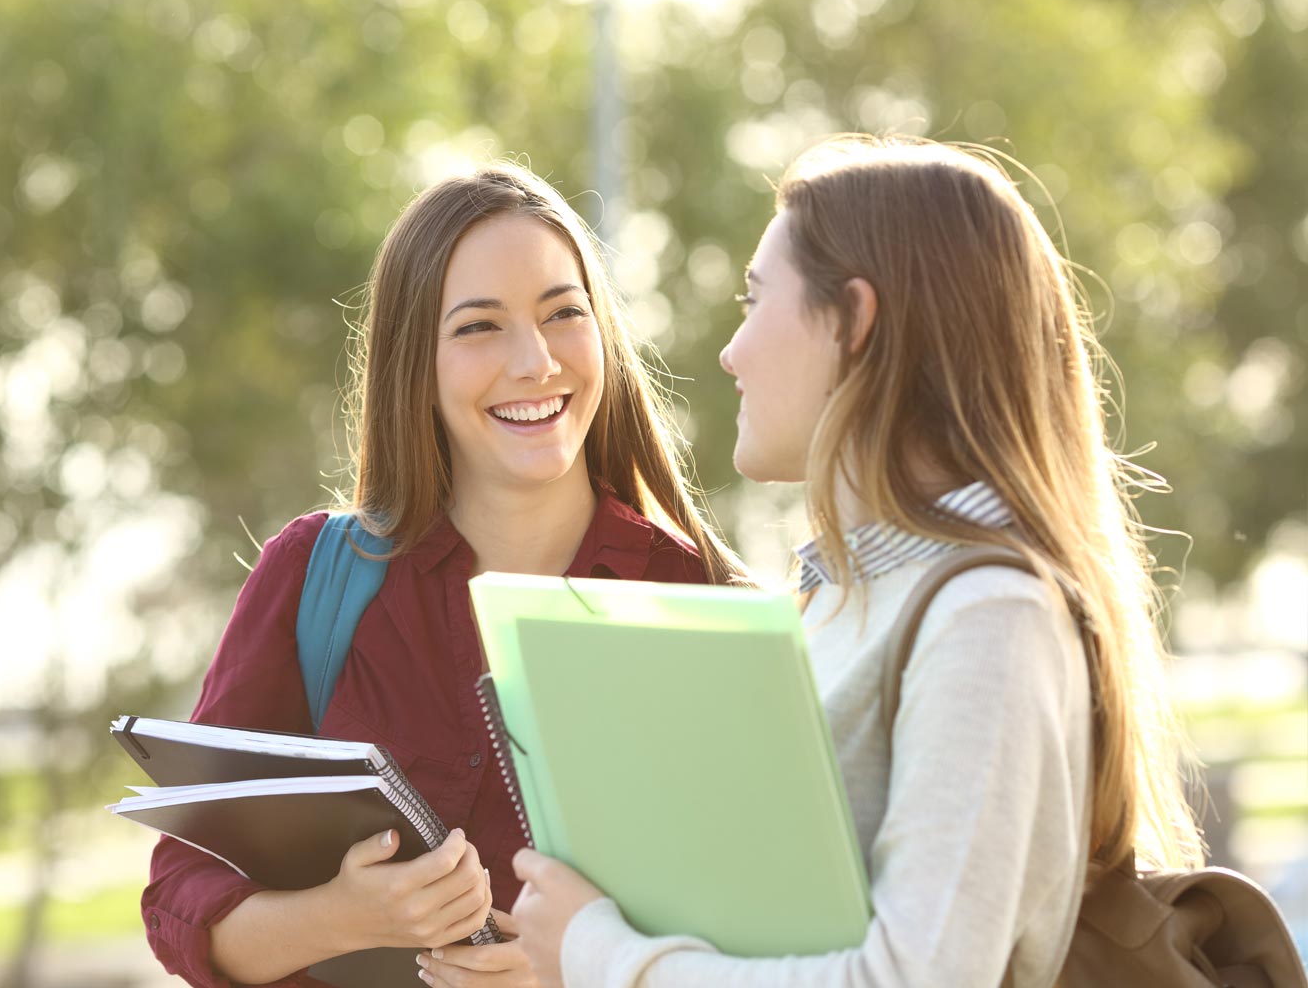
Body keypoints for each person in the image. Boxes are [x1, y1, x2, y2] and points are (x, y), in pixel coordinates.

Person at [509, 135, 1205, 988]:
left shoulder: (989, 615)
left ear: (856, 321)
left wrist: (602, 955)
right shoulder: (841, 598)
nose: (731, 351)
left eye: (755, 298)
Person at [140, 162, 748, 988]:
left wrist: (582, 970)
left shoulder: (706, 605)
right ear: (413, 363)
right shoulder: (315, 578)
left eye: (564, 313)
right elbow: (182, 899)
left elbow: (774, 938)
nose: (534, 362)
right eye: (478, 327)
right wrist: (341, 918)